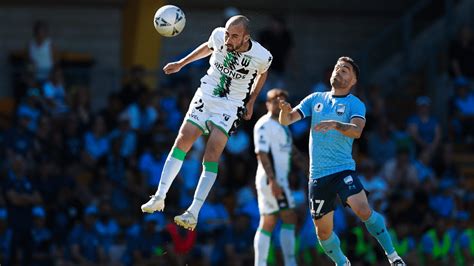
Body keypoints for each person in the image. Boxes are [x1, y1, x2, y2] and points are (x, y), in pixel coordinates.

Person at [141, 15, 272, 231]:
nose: (228, 40)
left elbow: (263, 72)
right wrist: (181, 64)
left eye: (235, 36)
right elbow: (208, 47)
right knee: (182, 140)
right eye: (228, 34)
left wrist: (252, 99)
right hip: (207, 94)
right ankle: (159, 196)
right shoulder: (219, 35)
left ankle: (193, 211)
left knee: (212, 153)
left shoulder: (261, 55)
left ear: (246, 37)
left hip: (232, 104)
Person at [278, 56, 406, 265]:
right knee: (323, 233)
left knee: (363, 210)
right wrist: (284, 113)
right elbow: (288, 120)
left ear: (353, 81)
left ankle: (393, 256)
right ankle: (342, 262)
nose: (339, 71)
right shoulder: (315, 98)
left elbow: (356, 131)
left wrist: (336, 124)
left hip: (342, 169)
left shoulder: (355, 104)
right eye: (337, 67)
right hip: (317, 176)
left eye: (345, 69)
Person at [253, 89, 305, 266]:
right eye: (274, 100)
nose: (278, 103)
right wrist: (273, 180)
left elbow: (292, 152)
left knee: (269, 221)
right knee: (289, 217)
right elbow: (262, 153)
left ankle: (261, 263)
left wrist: (308, 169)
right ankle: (290, 262)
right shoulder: (264, 125)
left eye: (282, 100)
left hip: (277, 180)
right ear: (267, 104)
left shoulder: (283, 126)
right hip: (272, 180)